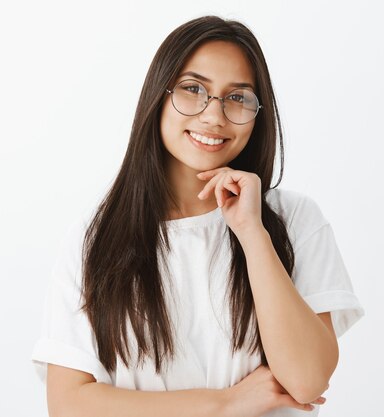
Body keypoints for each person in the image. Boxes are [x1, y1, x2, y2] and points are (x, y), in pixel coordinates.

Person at [31, 15, 364, 417]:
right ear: (159, 94)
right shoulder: (96, 237)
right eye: (193, 89)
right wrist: (225, 404)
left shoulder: (293, 220)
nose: (214, 116)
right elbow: (68, 404)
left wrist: (251, 232)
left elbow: (308, 379)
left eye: (237, 97)